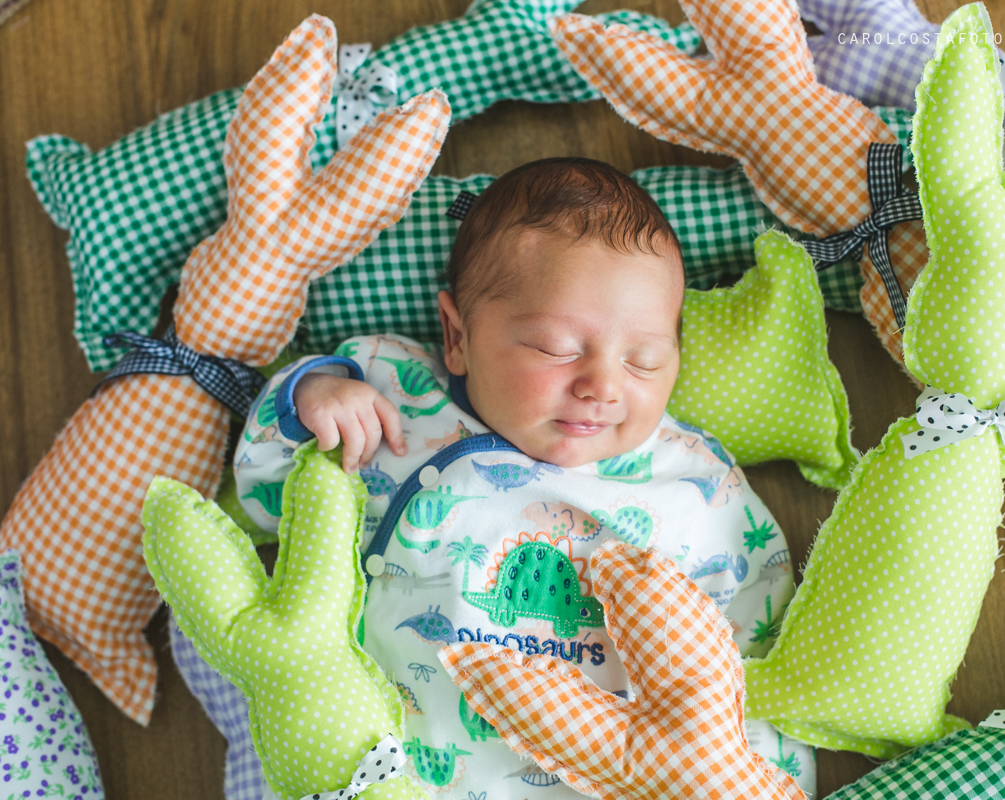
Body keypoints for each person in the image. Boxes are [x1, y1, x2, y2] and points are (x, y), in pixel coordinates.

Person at [234, 157, 804, 797]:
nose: (603, 387)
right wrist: (313, 397)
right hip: (384, 774)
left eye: (644, 360)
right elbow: (264, 496)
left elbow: (757, 669)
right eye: (557, 349)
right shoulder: (397, 399)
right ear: (458, 337)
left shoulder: (696, 485)